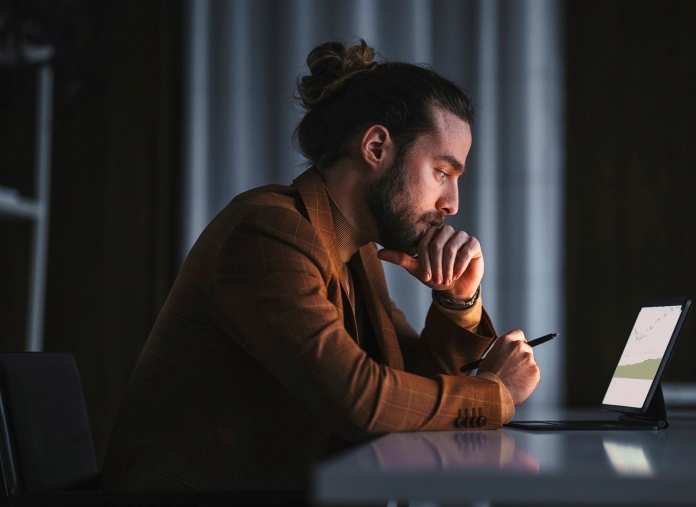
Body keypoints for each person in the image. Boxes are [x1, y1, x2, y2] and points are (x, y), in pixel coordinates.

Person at [102, 40, 540, 492]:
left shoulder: (357, 253)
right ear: (375, 147)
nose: (451, 204)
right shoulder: (266, 231)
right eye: (442, 172)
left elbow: (407, 386)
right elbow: (363, 400)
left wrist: (457, 301)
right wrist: (495, 393)